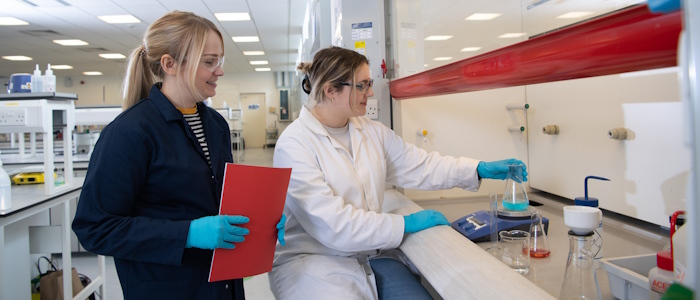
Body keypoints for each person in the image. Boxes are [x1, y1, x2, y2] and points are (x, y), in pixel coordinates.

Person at [269, 46, 528, 299]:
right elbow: (333, 225)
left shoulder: (371, 131)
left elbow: (422, 165)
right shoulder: (295, 144)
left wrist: (477, 168)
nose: (370, 92)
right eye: (361, 85)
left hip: (370, 253)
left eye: (369, 83)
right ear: (331, 91)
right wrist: (404, 224)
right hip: (314, 261)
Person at [72, 11, 284, 300]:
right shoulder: (131, 132)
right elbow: (95, 227)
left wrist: (260, 221)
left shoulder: (215, 124)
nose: (219, 71)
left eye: (219, 60)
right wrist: (188, 234)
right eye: (209, 62)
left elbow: (217, 198)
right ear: (169, 64)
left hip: (223, 285)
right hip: (167, 287)